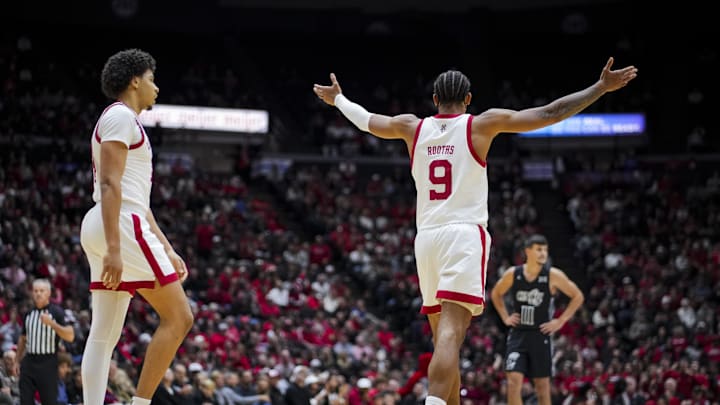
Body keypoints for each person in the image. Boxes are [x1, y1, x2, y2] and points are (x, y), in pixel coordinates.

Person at [313, 57, 636, 405]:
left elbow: (366, 121)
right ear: (468, 99)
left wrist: (338, 100)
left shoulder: (411, 127)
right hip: (463, 235)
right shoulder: (481, 124)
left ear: (434, 100)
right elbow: (548, 114)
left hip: (426, 239)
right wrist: (600, 88)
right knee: (453, 332)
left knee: (444, 340)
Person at [79, 48, 194, 405]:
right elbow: (112, 186)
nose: (155, 87)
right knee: (179, 317)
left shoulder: (122, 120)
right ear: (134, 80)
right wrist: (115, 248)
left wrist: (168, 248)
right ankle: (140, 404)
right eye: (151, 79)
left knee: (103, 335)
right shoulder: (121, 117)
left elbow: (134, 198)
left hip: (112, 221)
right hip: (119, 224)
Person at [490, 234, 585, 405]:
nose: (543, 253)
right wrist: (505, 316)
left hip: (540, 335)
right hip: (518, 334)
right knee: (513, 381)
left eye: (545, 250)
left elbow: (577, 296)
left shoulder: (553, 275)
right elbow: (496, 293)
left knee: (542, 387)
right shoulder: (514, 273)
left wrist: (560, 321)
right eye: (539, 250)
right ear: (528, 251)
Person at [16, 279, 75, 405]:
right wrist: (17, 361)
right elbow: (22, 338)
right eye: (35, 291)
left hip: (48, 362)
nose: (38, 294)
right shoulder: (28, 313)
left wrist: (52, 324)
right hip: (29, 361)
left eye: (41, 291)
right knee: (25, 400)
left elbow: (70, 336)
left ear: (48, 293)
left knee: (49, 401)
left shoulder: (57, 312)